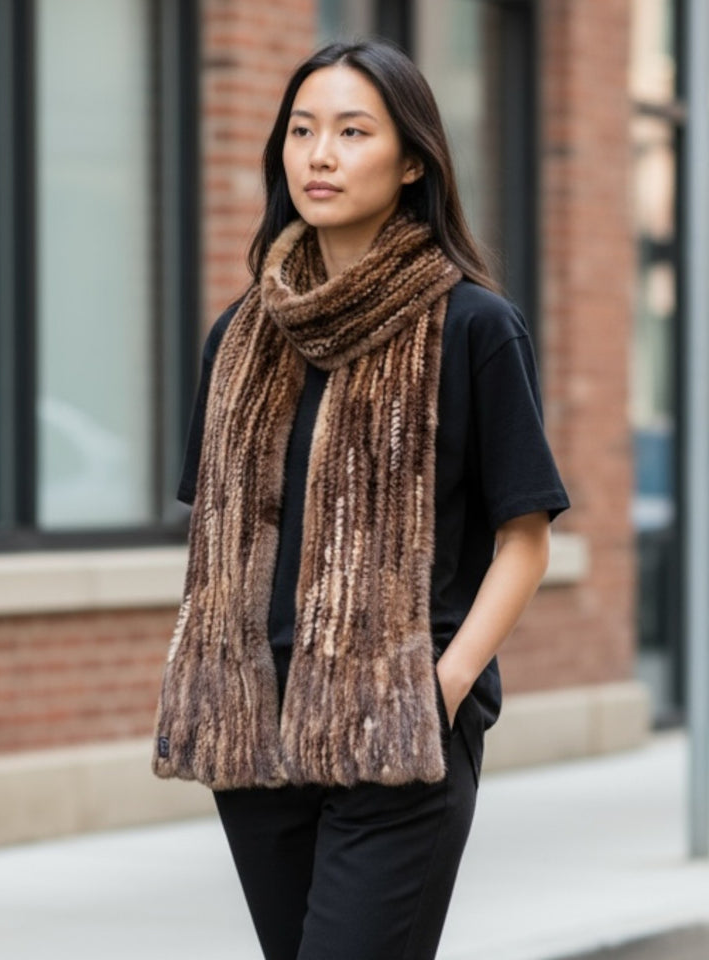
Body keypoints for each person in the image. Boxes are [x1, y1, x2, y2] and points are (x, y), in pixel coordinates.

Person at [151, 38, 570, 960]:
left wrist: (441, 688)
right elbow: (218, 539)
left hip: (400, 733)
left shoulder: (474, 326)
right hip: (256, 735)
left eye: (351, 131)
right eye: (302, 131)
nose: (320, 155)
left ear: (412, 158)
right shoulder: (242, 334)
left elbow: (525, 540)